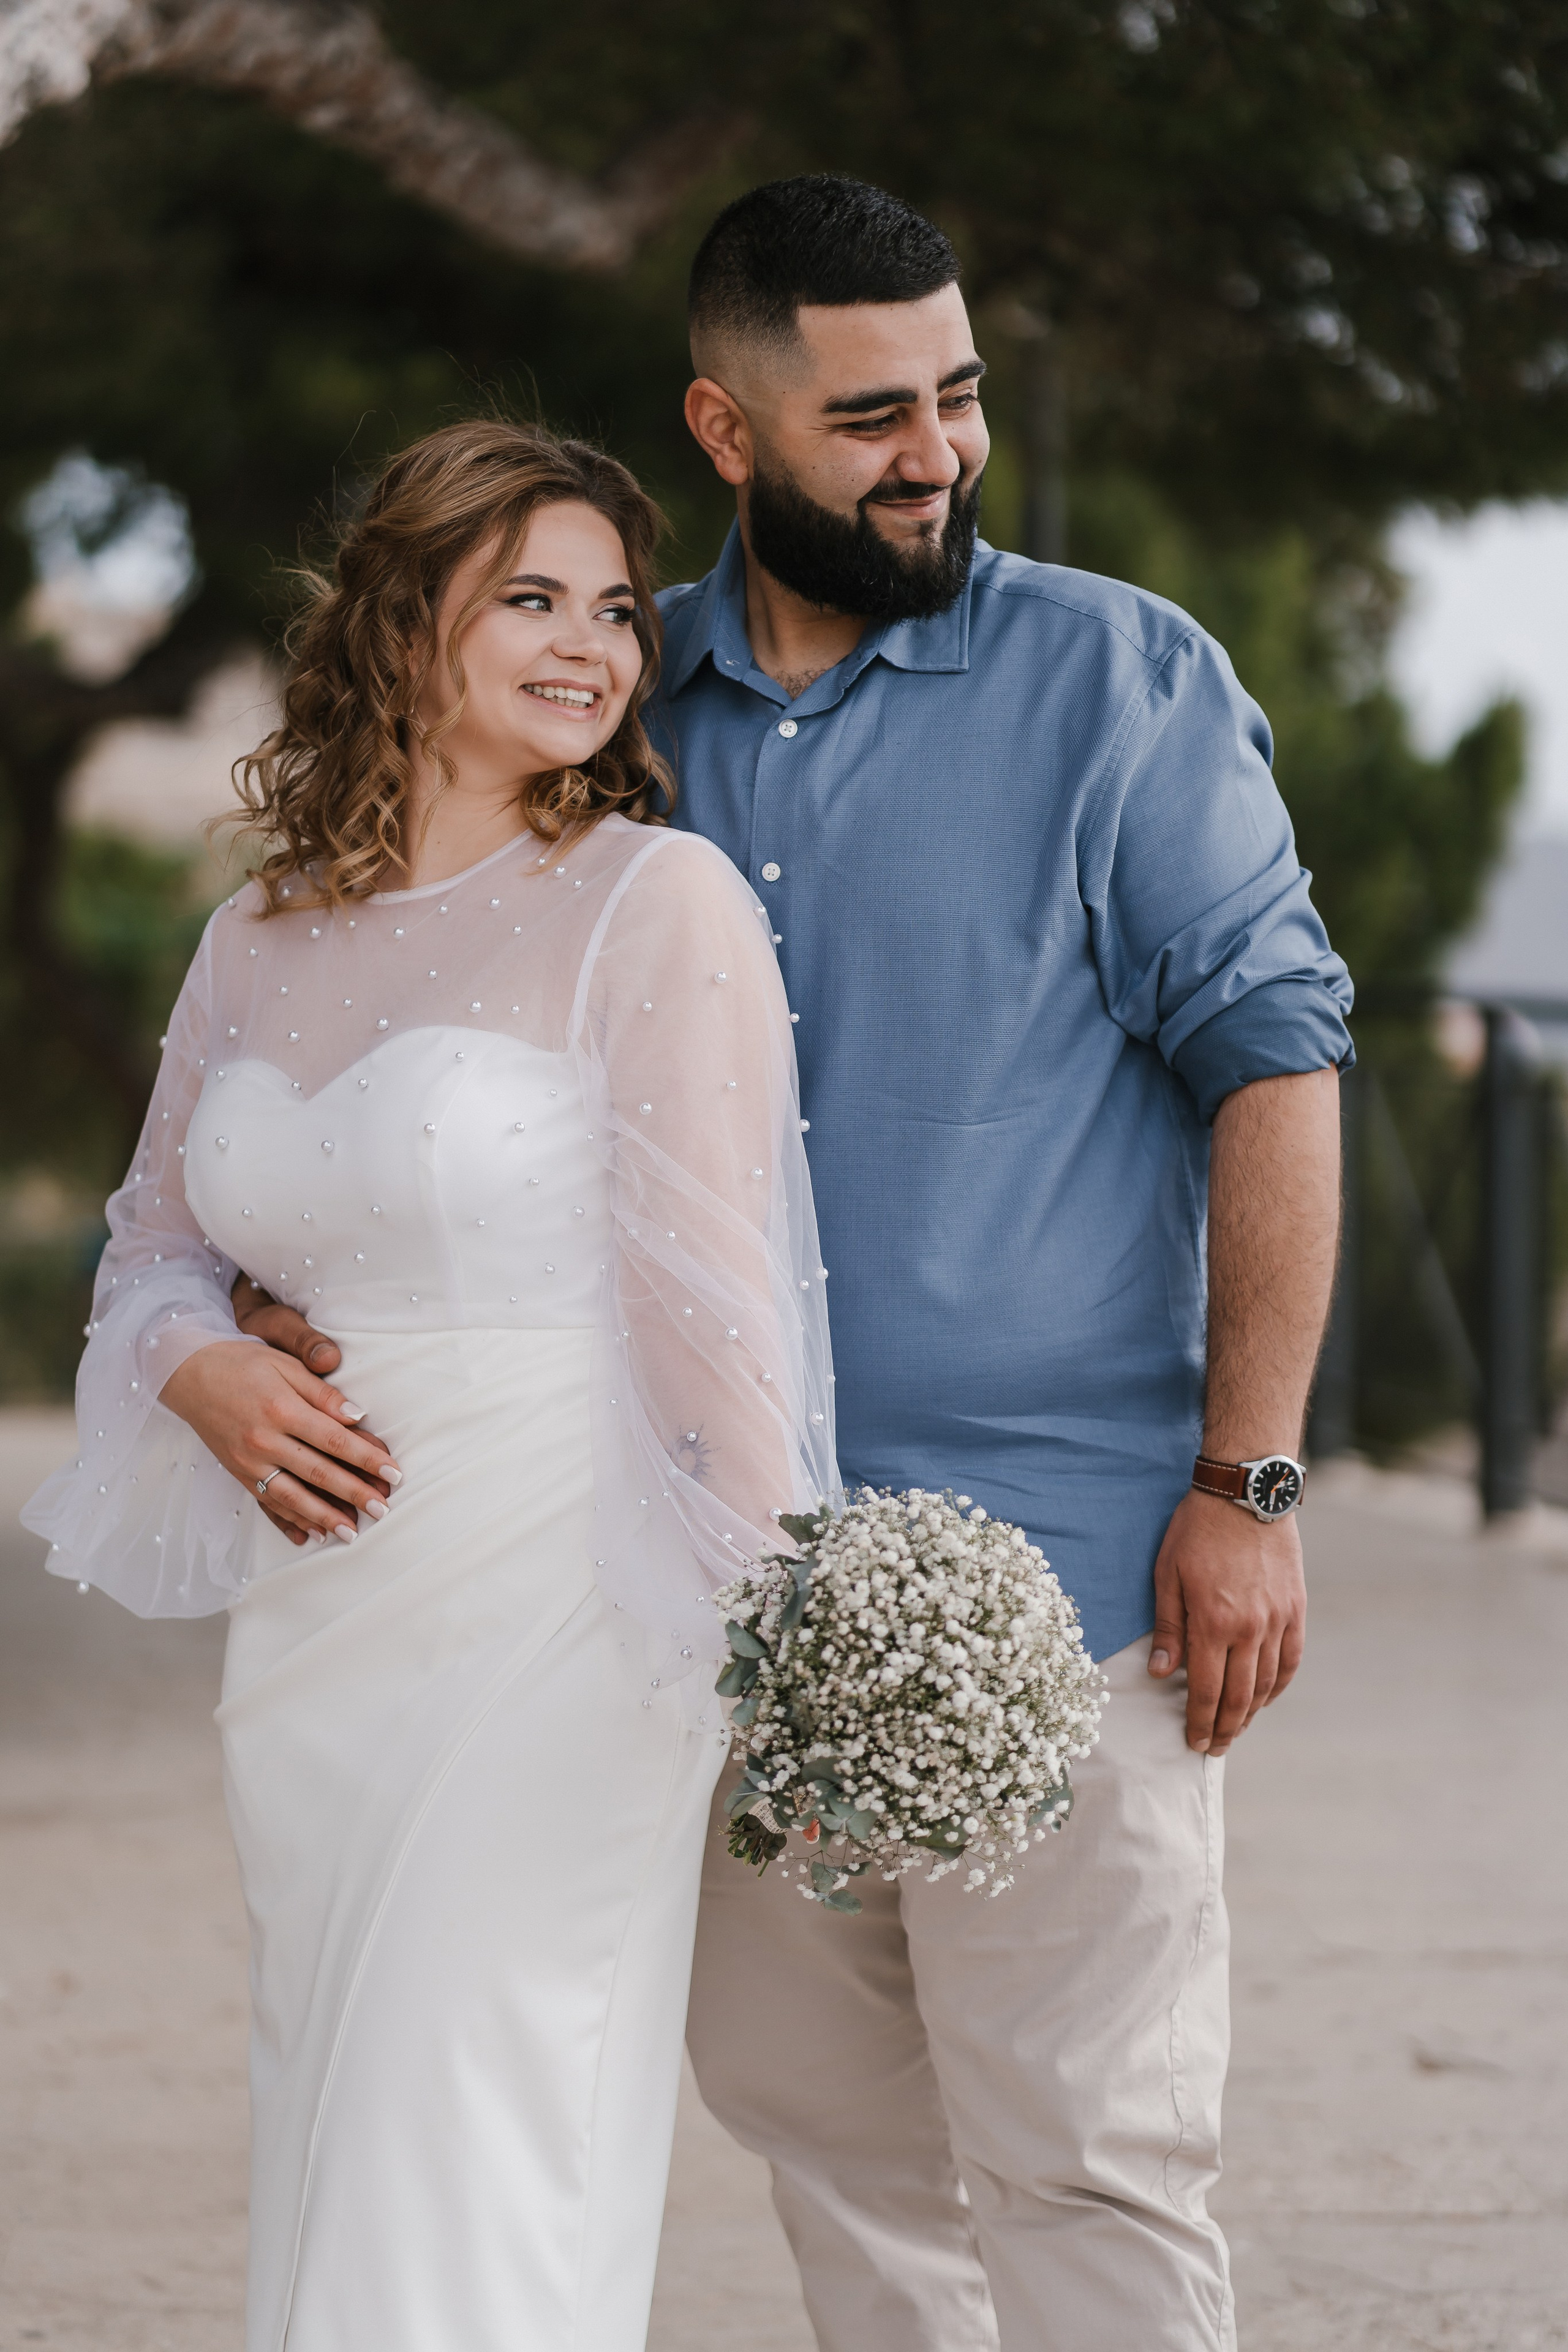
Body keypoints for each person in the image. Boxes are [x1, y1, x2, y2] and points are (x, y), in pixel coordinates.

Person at [209, 177, 1350, 2350]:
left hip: (1070, 1562)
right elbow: (429, 1024)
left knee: (1091, 2150)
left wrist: (1253, 1482)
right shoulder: (605, 717)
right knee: (821, 2128)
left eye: (960, 397)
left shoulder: (1121, 682)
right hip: (688, 1601)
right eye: (868, 416)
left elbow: (1279, 1064)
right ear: (725, 434)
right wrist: (314, 1257)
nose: (935, 453)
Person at [23, 420, 837, 2352]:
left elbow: (721, 1318)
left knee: (471, 2099)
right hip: (323, 1619)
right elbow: (145, 1247)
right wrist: (199, 1361)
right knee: (335, 2084)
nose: (590, 644)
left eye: (619, 610)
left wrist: (772, 1648)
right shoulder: (255, 933)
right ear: (402, 624)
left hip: (561, 1598)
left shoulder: (656, 904)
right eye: (531, 597)